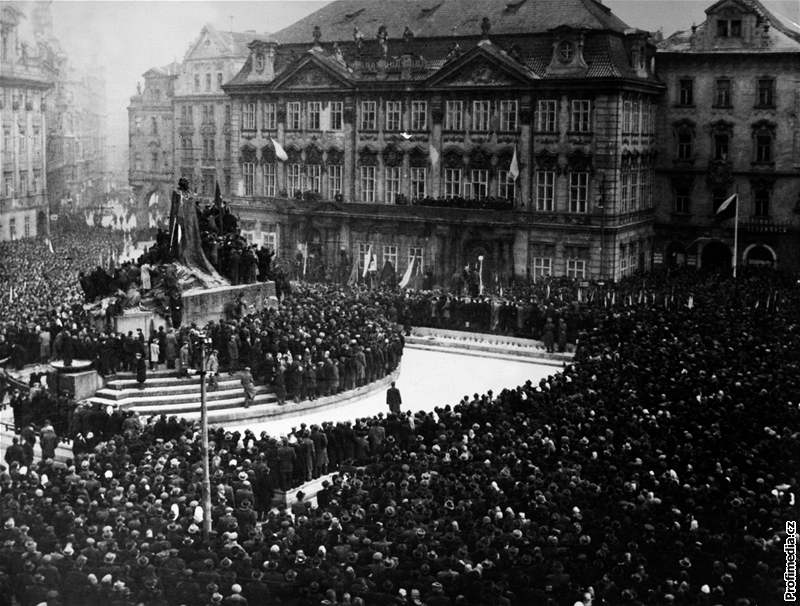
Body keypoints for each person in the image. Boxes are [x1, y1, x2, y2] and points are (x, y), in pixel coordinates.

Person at [168, 178, 222, 278]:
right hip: (181, 220)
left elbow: (195, 209)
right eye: (187, 183)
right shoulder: (177, 193)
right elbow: (175, 208)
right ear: (182, 184)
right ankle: (181, 256)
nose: (188, 184)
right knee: (181, 240)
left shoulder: (190, 194)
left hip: (191, 222)